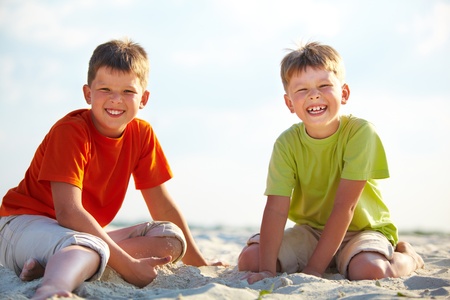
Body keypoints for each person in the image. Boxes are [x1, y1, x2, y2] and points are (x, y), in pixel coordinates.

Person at [0, 38, 220, 300]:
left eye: (128, 91)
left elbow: (162, 205)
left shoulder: (142, 134)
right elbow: (68, 212)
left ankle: (58, 265)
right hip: (23, 226)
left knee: (170, 237)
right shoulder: (71, 132)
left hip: (74, 235)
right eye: (105, 89)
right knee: (88, 245)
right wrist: (128, 266)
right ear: (88, 94)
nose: (116, 100)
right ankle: (52, 288)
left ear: (144, 98)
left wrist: (198, 261)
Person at [237, 42, 424, 284]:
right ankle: (328, 259)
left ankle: (409, 257)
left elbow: (344, 207)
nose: (314, 94)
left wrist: (314, 268)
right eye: (302, 90)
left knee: (369, 271)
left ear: (344, 93)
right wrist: (267, 271)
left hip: (361, 230)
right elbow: (276, 208)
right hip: (311, 231)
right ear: (289, 103)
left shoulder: (360, 132)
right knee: (250, 259)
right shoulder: (286, 143)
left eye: (324, 85)